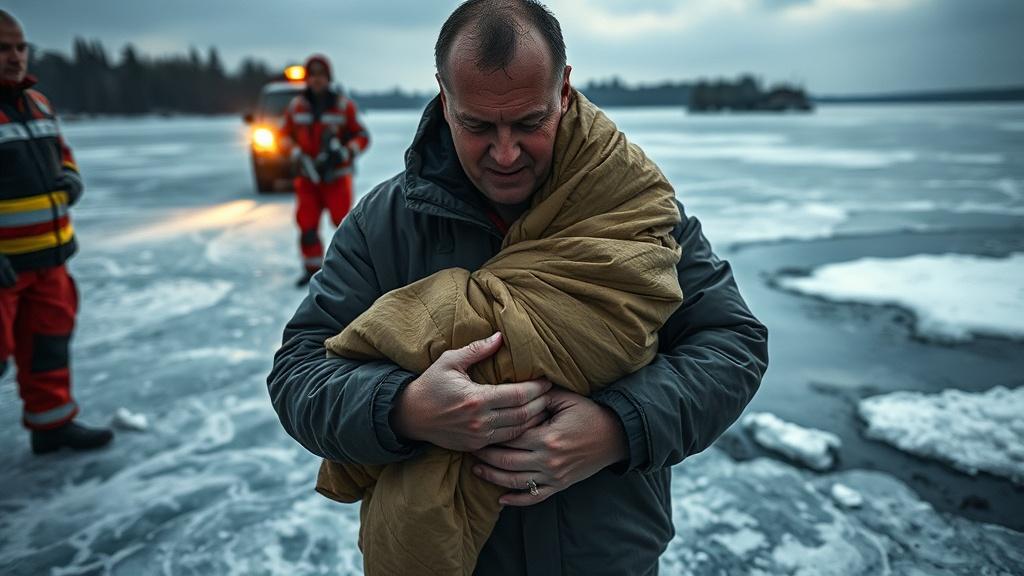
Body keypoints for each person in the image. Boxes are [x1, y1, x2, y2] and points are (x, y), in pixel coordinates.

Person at [268, 1, 768, 573]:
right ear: (442, 96)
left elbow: (732, 344)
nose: (505, 153)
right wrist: (405, 410)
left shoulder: (633, 211)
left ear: (564, 89)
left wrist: (616, 428)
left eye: (530, 123)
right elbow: (299, 373)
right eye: (477, 125)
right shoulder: (385, 223)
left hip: (606, 558)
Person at [0, 10, 113, 454]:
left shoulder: (38, 104)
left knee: (48, 345)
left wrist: (70, 177)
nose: (14, 57)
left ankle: (51, 426)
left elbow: (61, 154)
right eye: (3, 49)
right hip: (4, 268)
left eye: (20, 47)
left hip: (49, 259)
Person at [280, 54, 369, 287]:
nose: (316, 80)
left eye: (321, 75)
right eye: (312, 75)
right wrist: (295, 153)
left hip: (336, 178)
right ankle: (311, 270)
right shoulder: (296, 106)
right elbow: (283, 136)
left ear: (328, 78)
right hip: (307, 179)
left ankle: (350, 272)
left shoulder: (343, 106)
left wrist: (345, 151)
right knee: (306, 224)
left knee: (344, 226)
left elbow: (362, 136)